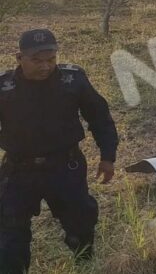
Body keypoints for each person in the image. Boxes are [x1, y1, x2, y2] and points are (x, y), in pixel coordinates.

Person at [0, 29, 118, 273]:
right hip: (18, 170)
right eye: (37, 60)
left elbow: (99, 117)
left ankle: (84, 262)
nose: (45, 66)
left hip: (65, 166)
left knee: (81, 220)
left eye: (50, 59)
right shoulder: (4, 87)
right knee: (9, 232)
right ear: (19, 58)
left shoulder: (73, 80)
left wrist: (108, 156)